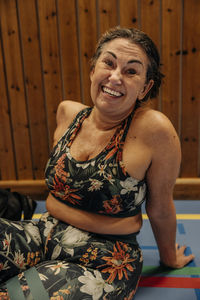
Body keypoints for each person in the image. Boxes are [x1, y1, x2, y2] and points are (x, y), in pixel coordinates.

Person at [0, 26, 194, 299]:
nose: (115, 77)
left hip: (105, 257)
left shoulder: (155, 130)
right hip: (43, 231)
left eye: (131, 71)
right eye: (109, 63)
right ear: (93, 70)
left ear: (145, 87)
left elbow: (160, 205)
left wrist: (168, 259)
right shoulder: (68, 113)